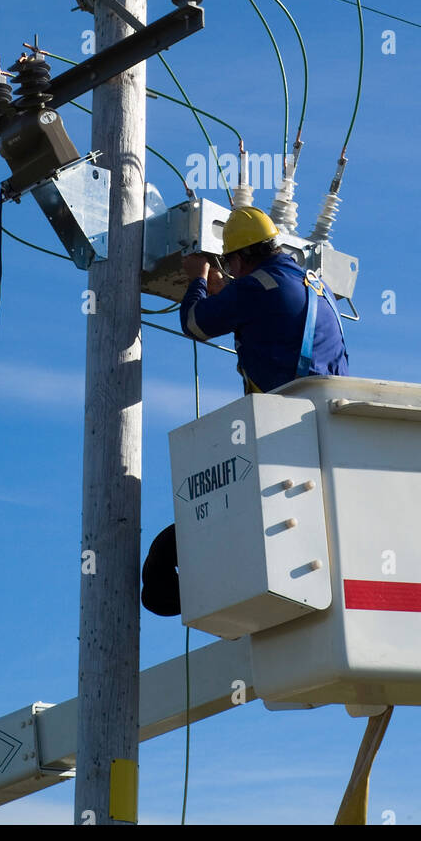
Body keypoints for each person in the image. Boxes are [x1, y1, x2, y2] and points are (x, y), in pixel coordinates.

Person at [141, 207, 349, 616]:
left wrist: (198, 278)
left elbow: (196, 323)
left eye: (231, 265)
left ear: (239, 258)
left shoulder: (256, 287)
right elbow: (271, 320)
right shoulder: (311, 283)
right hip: (325, 429)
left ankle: (198, 586)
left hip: (282, 430)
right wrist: (229, 292)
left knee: (175, 549)